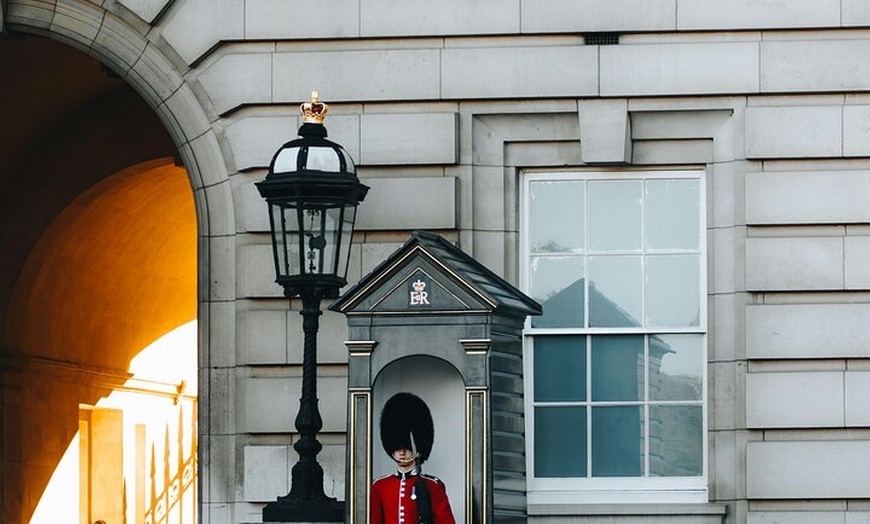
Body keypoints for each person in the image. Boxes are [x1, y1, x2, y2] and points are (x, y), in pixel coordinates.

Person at [370, 392, 456, 524]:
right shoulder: (380, 486)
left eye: (408, 447)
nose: (402, 452)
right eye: (398, 448)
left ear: (417, 450)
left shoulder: (432, 485)